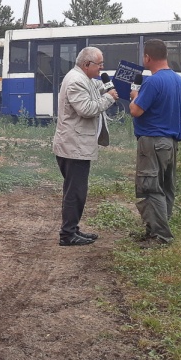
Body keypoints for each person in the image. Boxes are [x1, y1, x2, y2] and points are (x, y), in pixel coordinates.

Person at [52, 47, 118, 246]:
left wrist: (107, 87)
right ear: (87, 64)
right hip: (74, 147)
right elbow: (87, 109)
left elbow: (94, 87)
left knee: (76, 190)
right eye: (100, 64)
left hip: (76, 146)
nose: (102, 68)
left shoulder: (84, 79)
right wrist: (109, 98)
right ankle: (67, 234)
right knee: (75, 192)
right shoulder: (75, 81)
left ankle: (73, 229)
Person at [129, 38, 181, 247]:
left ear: (147, 57)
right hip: (171, 143)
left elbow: (135, 111)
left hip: (153, 142)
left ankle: (161, 236)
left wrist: (135, 95)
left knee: (150, 188)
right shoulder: (179, 81)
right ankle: (154, 231)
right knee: (165, 187)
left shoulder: (153, 82)